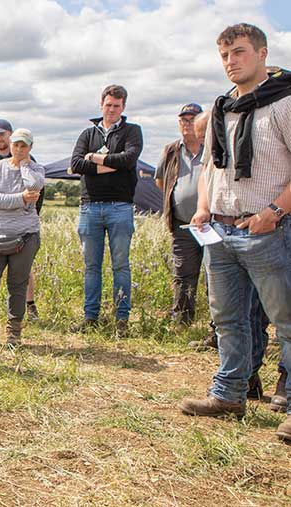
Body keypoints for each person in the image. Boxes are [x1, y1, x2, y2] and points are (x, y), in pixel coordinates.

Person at [177, 23, 291, 443]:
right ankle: (229, 394)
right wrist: (204, 207)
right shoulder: (223, 107)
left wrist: (274, 211)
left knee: (285, 319)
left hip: (267, 228)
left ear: (262, 54)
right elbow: (210, 166)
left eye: (239, 52)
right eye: (224, 55)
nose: (231, 61)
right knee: (228, 319)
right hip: (220, 230)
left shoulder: (285, 102)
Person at [70, 84, 143, 337]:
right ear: (101, 104)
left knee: (121, 265)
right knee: (92, 266)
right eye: (108, 105)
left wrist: (96, 158)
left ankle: (121, 320)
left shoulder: (132, 131)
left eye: (117, 106)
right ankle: (91, 318)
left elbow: (129, 160)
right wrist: (111, 163)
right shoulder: (87, 133)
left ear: (123, 107)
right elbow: (76, 164)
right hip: (90, 206)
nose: (112, 110)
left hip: (120, 207)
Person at [0, 128, 44, 347]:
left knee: (17, 285)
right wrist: (22, 198)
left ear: (30, 147)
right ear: (10, 145)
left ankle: (14, 335)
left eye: (24, 146)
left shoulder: (37, 169)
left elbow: (33, 185)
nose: (19, 149)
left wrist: (24, 165)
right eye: (16, 145)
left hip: (25, 235)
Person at [155, 104, 205, 325]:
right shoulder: (171, 150)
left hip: (212, 224)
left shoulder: (213, 148)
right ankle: (182, 322)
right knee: (183, 274)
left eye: (192, 119)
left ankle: (218, 328)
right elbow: (160, 180)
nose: (186, 124)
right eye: (183, 120)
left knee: (217, 277)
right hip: (182, 224)